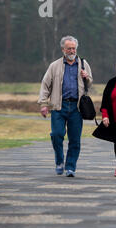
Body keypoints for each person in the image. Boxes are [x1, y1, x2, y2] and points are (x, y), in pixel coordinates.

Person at [38, 36, 93, 177]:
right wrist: (44, 104)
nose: (72, 51)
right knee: (57, 135)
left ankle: (70, 167)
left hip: (77, 107)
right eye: (69, 48)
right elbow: (45, 85)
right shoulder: (54, 66)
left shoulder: (83, 63)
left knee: (75, 139)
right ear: (63, 49)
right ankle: (59, 161)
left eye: (74, 48)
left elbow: (90, 83)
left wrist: (86, 77)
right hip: (59, 106)